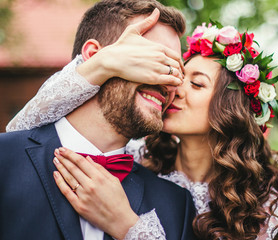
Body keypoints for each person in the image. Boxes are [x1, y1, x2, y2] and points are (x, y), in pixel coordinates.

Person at [7, 14, 278, 240]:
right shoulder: (137, 156)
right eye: (177, 75)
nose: (174, 87)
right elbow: (23, 130)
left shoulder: (259, 199)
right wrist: (100, 65)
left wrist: (128, 226)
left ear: (230, 110)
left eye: (197, 84)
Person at [0, 1, 197, 240]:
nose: (170, 82)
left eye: (176, 71)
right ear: (94, 56)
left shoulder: (179, 206)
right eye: (154, 59)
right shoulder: (5, 158)